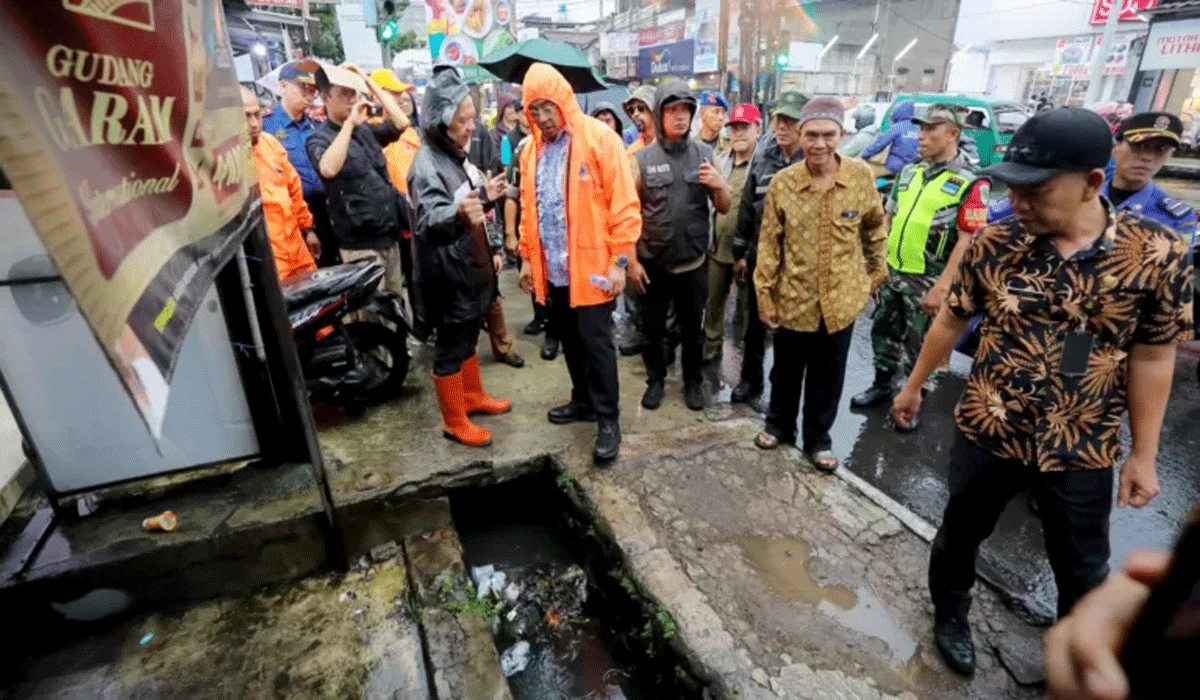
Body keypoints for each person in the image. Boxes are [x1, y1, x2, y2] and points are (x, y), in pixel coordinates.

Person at [891, 107, 1194, 676]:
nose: (1020, 201)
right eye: (1015, 187)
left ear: (1092, 183)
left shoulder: (1156, 254)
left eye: (1037, 189)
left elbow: (1154, 357)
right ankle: (950, 615)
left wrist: (1145, 454)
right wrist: (914, 386)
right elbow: (951, 322)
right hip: (990, 426)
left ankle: (1078, 658)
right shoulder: (996, 243)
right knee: (960, 534)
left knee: (1082, 567)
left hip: (1082, 443)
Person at [752, 96, 887, 472]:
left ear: (842, 135)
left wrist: (874, 276)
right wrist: (765, 294)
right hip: (794, 296)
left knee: (828, 375)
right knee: (787, 369)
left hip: (842, 299)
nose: (819, 144)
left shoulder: (859, 177)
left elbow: (875, 228)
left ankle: (818, 438)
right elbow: (769, 243)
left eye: (828, 135)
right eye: (811, 135)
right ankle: (778, 424)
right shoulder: (784, 183)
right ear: (799, 135)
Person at [518, 62, 641, 464]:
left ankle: (608, 419)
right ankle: (582, 401)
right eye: (533, 110)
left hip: (593, 271)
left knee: (597, 345)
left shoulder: (599, 138)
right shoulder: (532, 152)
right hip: (554, 270)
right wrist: (525, 259)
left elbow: (624, 205)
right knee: (570, 340)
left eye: (547, 107)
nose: (541, 117)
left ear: (563, 100)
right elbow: (528, 208)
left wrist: (619, 262)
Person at [850, 105, 989, 418]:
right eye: (921, 128)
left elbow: (968, 241)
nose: (921, 136)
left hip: (929, 279)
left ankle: (914, 401)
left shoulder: (970, 183)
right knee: (884, 332)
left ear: (953, 133)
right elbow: (887, 218)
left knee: (922, 344)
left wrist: (943, 286)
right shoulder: (909, 172)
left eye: (931, 129)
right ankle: (882, 384)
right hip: (894, 272)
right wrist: (877, 266)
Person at [407, 66, 511, 448]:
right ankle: (454, 420)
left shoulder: (451, 156)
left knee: (468, 337)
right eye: (462, 120)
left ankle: (472, 397)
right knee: (451, 348)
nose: (472, 127)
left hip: (467, 271)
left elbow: (466, 203)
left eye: (472, 119)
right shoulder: (426, 165)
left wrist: (485, 196)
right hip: (447, 278)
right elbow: (429, 219)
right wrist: (459, 214)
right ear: (439, 121)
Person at [632, 79, 733, 411]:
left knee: (693, 330)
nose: (679, 117)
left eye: (685, 110)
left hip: (692, 264)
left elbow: (724, 206)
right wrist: (630, 261)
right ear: (660, 114)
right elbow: (628, 214)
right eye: (672, 110)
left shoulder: (705, 155)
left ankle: (693, 382)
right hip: (653, 264)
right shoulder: (642, 159)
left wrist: (719, 186)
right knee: (653, 330)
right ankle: (656, 380)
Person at [729, 88, 808, 404]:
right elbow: (747, 208)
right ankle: (751, 381)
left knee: (791, 331)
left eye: (790, 121)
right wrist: (740, 253)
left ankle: (783, 386)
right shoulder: (763, 159)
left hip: (798, 265)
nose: (783, 127)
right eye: (779, 120)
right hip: (761, 259)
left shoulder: (813, 161)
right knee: (754, 327)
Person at [305, 63, 411, 296]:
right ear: (325, 97)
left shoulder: (365, 131)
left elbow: (402, 122)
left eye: (354, 93)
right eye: (344, 94)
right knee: (371, 317)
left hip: (389, 236)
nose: (352, 100)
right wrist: (349, 124)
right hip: (359, 247)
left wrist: (366, 77)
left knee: (395, 307)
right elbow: (328, 168)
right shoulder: (319, 139)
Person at [263, 62, 338, 266]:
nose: (309, 95)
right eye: (303, 88)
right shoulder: (266, 127)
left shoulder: (318, 124)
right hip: (292, 217)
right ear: (283, 86)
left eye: (313, 90)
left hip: (327, 210)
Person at [704, 103, 761, 364]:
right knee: (713, 303)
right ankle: (711, 350)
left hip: (748, 253)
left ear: (757, 129)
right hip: (717, 248)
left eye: (744, 127)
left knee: (748, 310)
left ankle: (744, 359)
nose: (737, 133)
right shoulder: (721, 160)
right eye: (734, 128)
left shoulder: (762, 165)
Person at [242, 86, 319, 280]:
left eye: (256, 115)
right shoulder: (225, 161)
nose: (254, 124)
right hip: (268, 257)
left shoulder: (270, 144)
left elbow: (294, 191)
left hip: (296, 247)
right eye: (245, 117)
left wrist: (308, 229)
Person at [618, 84, 659, 357]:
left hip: (661, 230)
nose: (636, 114)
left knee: (660, 294)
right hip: (634, 232)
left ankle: (662, 341)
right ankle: (637, 332)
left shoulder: (668, 146)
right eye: (631, 109)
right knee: (634, 288)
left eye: (641, 108)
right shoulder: (630, 151)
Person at [370, 68, 422, 195]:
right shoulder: (368, 132)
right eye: (394, 92)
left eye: (401, 92)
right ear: (377, 96)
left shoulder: (409, 131)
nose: (402, 97)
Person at [861, 99, 920, 174]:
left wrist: (865, 154)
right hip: (911, 166)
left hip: (894, 166)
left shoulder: (897, 127)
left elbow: (880, 144)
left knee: (865, 173)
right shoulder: (917, 128)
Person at [697, 90, 730, 155]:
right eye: (716, 112)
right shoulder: (691, 146)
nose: (721, 117)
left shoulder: (730, 146)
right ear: (702, 114)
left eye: (723, 113)